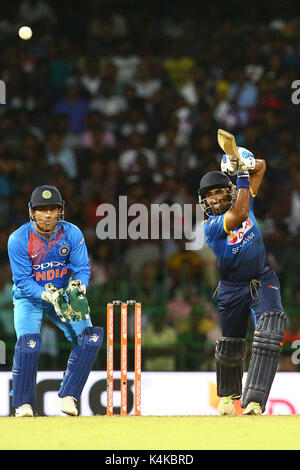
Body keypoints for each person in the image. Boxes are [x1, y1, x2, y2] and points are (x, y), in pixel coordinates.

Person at [198, 144, 287, 416]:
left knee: (271, 328)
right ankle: (228, 396)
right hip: (232, 288)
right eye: (209, 196)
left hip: (262, 279)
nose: (214, 199)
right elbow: (239, 214)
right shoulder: (211, 226)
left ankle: (255, 401)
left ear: (229, 190)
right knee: (231, 345)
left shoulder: (242, 196)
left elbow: (262, 167)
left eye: (218, 192)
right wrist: (242, 177)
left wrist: (245, 162)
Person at [7, 185, 104, 417]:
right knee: (29, 342)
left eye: (53, 209)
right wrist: (46, 294)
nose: (48, 215)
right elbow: (23, 281)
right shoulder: (19, 239)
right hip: (29, 297)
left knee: (90, 337)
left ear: (61, 211)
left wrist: (78, 287)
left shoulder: (72, 233)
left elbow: (82, 268)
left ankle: (68, 396)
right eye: (42, 210)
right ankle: (23, 404)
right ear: (32, 212)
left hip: (62, 295)